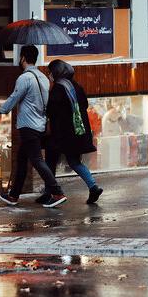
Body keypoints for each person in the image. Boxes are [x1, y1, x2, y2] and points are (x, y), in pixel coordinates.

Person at [0, 45, 67, 208]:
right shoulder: (43, 78)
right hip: (39, 125)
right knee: (22, 159)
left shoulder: (24, 78)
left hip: (28, 125)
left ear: (23, 58)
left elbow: (14, 98)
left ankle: (57, 192)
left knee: (36, 159)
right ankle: (14, 195)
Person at [42, 60, 103, 204]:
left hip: (63, 134)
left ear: (56, 72)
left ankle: (50, 193)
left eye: (50, 72)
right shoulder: (76, 86)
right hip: (78, 131)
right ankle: (93, 186)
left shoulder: (58, 88)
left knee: (50, 161)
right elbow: (85, 104)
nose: (49, 75)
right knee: (74, 161)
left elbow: (52, 110)